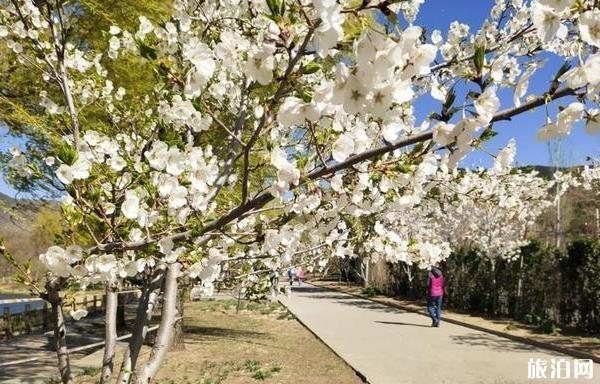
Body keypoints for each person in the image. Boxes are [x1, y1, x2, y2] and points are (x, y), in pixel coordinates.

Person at [426, 262, 444, 327]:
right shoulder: (441, 274)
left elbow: (427, 284)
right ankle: (437, 323)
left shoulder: (430, 274)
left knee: (429, 307)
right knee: (438, 308)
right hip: (440, 293)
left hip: (432, 293)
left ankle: (435, 319)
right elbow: (442, 284)